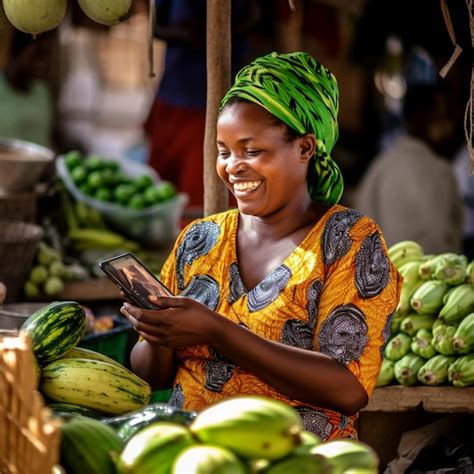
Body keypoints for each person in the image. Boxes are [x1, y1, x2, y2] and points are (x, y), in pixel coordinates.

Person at [121, 52, 402, 440]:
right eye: (224, 151)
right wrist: (157, 331)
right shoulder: (199, 239)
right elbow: (153, 375)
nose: (233, 166)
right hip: (196, 458)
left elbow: (348, 388)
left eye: (251, 151)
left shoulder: (348, 241)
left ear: (305, 149)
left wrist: (217, 331)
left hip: (299, 460)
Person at [144, 0, 259, 214]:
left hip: (217, 99)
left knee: (202, 190)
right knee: (159, 187)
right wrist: (186, 35)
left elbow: (255, 17)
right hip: (175, 90)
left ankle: (202, 240)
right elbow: (156, 24)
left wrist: (220, 34)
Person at [355, 83, 463, 255]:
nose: (448, 128)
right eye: (441, 117)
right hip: (435, 277)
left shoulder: (381, 166)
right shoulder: (441, 172)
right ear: (418, 118)